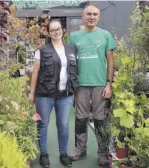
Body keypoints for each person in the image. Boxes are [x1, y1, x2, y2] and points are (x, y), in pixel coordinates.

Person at [68, 5, 116, 166]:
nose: (92, 17)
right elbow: (70, 62)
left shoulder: (105, 35)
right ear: (83, 16)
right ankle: (80, 149)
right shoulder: (74, 37)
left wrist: (108, 84)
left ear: (99, 17)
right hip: (80, 85)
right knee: (80, 118)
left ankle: (103, 152)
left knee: (100, 119)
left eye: (95, 14)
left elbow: (110, 61)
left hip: (100, 85)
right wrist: (72, 85)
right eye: (89, 14)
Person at [29, 20, 78, 168]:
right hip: (44, 94)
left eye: (58, 29)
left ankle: (63, 154)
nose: (56, 32)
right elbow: (35, 72)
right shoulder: (42, 50)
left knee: (63, 125)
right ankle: (44, 154)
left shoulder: (71, 49)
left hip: (65, 94)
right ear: (49, 33)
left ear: (63, 30)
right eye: (52, 30)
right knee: (43, 125)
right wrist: (32, 93)